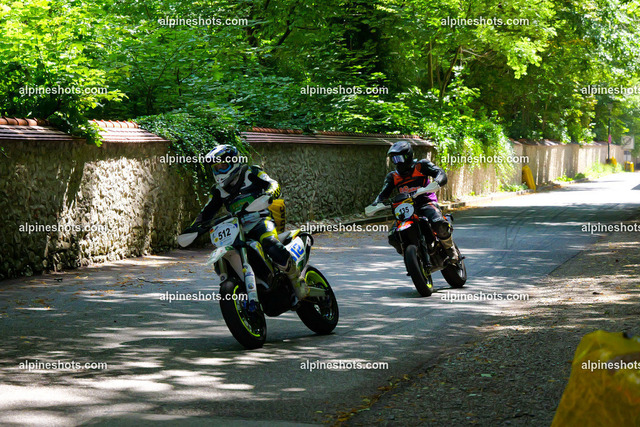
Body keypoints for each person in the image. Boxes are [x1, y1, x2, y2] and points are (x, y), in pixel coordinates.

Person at [184, 144, 308, 300]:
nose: (219, 170)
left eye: (223, 166)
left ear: (234, 162)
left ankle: (296, 278)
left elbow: (272, 184)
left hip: (260, 220)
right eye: (216, 168)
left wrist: (269, 194)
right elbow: (206, 212)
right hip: (237, 228)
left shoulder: (251, 172)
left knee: (269, 242)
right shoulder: (218, 190)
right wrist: (193, 228)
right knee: (225, 255)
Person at [372, 140, 458, 261]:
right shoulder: (392, 176)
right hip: (406, 208)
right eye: (394, 159)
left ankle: (450, 248)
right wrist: (375, 204)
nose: (397, 162)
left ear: (408, 156)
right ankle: (412, 257)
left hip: (426, 202)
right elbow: (383, 194)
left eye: (399, 158)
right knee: (393, 236)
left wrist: (437, 182)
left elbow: (440, 173)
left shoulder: (421, 165)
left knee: (438, 223)